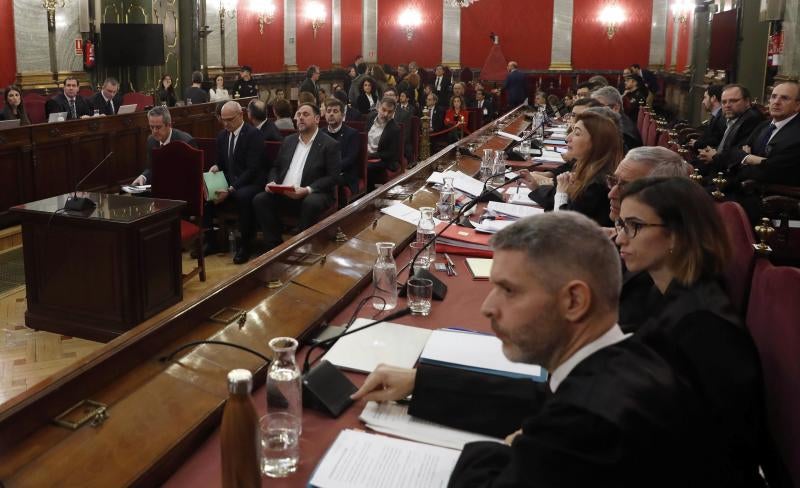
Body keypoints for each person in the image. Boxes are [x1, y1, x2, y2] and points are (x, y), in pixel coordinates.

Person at [352, 211, 717, 486]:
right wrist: (423, 383)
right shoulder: (630, 353)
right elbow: (536, 398)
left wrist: (509, 448)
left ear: (574, 300)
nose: (487, 307)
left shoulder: (588, 424)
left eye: (509, 290)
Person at [615, 176, 769, 485]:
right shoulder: (657, 288)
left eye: (634, 226)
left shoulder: (703, 327)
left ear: (677, 236)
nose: (620, 239)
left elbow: (711, 446)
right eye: (621, 224)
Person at [253, 102, 341, 251]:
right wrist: (272, 181)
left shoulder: (329, 144)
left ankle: (302, 247)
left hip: (313, 193)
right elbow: (276, 167)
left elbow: (333, 177)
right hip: (284, 192)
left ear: (317, 119)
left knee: (311, 203)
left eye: (305, 115)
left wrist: (307, 189)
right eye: (298, 115)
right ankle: (275, 247)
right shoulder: (289, 140)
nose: (300, 118)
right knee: (260, 199)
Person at [524, 111, 621, 226]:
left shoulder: (597, 184)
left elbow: (563, 228)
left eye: (577, 133)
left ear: (596, 142)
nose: (567, 138)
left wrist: (561, 192)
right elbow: (562, 202)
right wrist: (536, 188)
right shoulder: (588, 169)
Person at [206, 101, 267, 264]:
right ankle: (211, 240)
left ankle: (245, 244)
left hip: (252, 182)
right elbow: (220, 163)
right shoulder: (222, 136)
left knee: (242, 196)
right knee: (205, 193)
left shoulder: (254, 134)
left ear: (241, 115)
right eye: (223, 120)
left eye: (230, 119)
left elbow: (252, 169)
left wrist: (231, 189)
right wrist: (215, 167)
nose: (226, 123)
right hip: (230, 180)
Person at [728, 81, 800, 187]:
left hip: (768, 196)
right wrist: (750, 159)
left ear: (797, 106)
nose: (776, 102)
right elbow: (734, 152)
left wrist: (746, 158)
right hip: (740, 183)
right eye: (774, 97)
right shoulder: (764, 125)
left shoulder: (796, 134)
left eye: (784, 98)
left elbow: (772, 171)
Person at [131, 106, 197, 186]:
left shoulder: (185, 142)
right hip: (160, 186)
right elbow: (151, 167)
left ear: (169, 125)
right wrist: (143, 176)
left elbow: (192, 174)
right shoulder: (151, 140)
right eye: (152, 127)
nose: (154, 131)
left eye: (158, 127)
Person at [321, 97, 360, 194]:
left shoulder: (352, 133)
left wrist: (330, 168)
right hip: (324, 172)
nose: (331, 114)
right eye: (328, 111)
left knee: (327, 181)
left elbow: (350, 159)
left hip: (345, 173)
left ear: (342, 115)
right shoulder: (321, 133)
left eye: (335, 111)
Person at [592, 86, 643, 151]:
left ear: (615, 108)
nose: (594, 111)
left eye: (599, 107)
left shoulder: (622, 135)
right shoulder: (617, 124)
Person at [365, 97, 401, 189]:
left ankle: (369, 193)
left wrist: (372, 155)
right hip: (365, 155)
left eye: (389, 112)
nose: (385, 114)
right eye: (384, 110)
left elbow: (391, 154)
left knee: (367, 167)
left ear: (393, 113)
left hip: (382, 159)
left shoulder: (394, 129)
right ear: (378, 107)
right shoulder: (370, 117)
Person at [691, 84, 726, 150]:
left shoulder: (722, 117)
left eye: (705, 97)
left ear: (713, 98)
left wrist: (697, 143)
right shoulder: (715, 115)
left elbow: (716, 141)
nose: (703, 102)